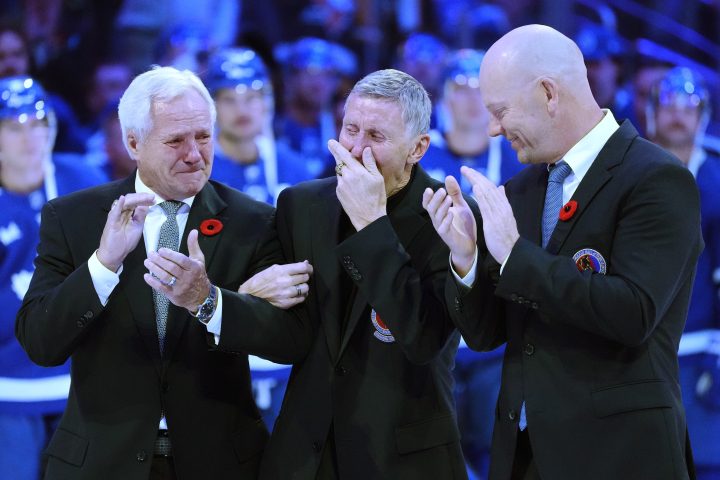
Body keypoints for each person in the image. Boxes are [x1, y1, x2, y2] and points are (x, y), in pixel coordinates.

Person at [423, 25, 700, 479]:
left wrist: (515, 257)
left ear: (548, 93)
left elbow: (633, 313)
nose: (493, 128)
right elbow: (487, 334)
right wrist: (466, 259)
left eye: (501, 111)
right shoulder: (522, 189)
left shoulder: (657, 179)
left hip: (620, 456)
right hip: (524, 458)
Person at [15, 66, 314, 480]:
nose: (194, 153)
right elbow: (40, 343)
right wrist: (103, 265)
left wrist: (208, 302)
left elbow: (290, 342)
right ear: (133, 142)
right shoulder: (74, 218)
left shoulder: (255, 222)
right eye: (176, 140)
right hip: (101, 464)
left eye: (204, 136)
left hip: (221, 463)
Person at [223, 68, 469, 479]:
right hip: (305, 455)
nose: (355, 149)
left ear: (418, 148)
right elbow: (286, 336)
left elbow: (423, 340)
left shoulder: (449, 217)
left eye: (376, 137)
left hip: (404, 459)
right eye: (350, 128)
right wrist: (246, 298)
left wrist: (372, 224)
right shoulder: (299, 205)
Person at [0, 76, 107, 480]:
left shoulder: (85, 180)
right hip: (6, 389)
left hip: (78, 382)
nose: (29, 137)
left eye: (38, 124)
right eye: (14, 126)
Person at [646, 66, 720, 480]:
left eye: (688, 105)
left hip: (700, 352)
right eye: (668, 104)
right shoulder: (628, 169)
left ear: (703, 115)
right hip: (639, 347)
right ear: (653, 111)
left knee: (705, 464)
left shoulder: (717, 180)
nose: (678, 114)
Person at [205, 47, 310, 204]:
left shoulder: (294, 170)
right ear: (212, 106)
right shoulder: (198, 170)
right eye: (228, 99)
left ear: (267, 102)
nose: (241, 110)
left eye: (251, 98)